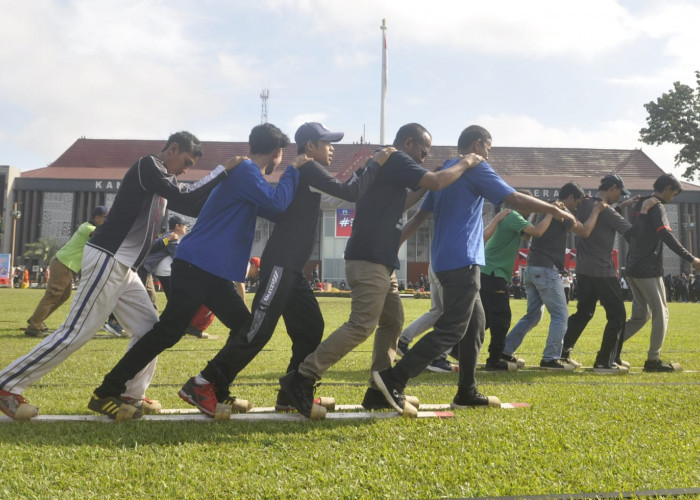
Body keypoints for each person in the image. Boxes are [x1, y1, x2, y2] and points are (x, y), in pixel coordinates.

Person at [0, 131, 240, 421]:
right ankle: (6, 386)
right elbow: (184, 196)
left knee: (151, 331)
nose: (186, 170)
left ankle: (130, 394)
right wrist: (221, 171)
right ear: (173, 148)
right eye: (186, 162)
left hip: (125, 267)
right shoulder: (148, 166)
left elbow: (189, 204)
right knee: (75, 333)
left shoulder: (166, 179)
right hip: (108, 257)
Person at [177, 122, 393, 417]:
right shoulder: (307, 168)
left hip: (292, 269)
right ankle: (202, 383)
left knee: (310, 327)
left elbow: (337, 196)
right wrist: (375, 165)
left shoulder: (310, 172)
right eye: (327, 143)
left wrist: (363, 170)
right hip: (280, 264)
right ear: (310, 147)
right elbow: (351, 193)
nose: (333, 149)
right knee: (258, 330)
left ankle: (291, 392)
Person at [89, 123, 302, 419]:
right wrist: (294, 171)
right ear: (278, 152)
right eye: (282, 156)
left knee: (245, 328)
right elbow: (277, 205)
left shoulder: (244, 173)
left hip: (208, 268)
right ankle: (106, 391)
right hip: (198, 265)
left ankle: (215, 389)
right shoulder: (247, 171)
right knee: (170, 332)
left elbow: (270, 207)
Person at [277, 123, 488, 418]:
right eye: (423, 152)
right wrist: (468, 161)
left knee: (393, 321)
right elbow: (437, 182)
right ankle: (301, 377)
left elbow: (403, 202)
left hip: (380, 260)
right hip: (370, 258)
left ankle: (379, 389)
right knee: (362, 324)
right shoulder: (397, 158)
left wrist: (430, 180)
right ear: (409, 143)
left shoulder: (389, 166)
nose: (423, 159)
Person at [371, 126, 577, 414]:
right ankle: (394, 378)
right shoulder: (475, 166)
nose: (488, 155)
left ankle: (466, 390)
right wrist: (555, 210)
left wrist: (393, 244)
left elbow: (420, 215)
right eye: (489, 149)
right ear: (478, 145)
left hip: (444, 262)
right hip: (461, 262)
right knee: (453, 327)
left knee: (476, 324)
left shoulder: (446, 168)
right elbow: (514, 198)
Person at [503, 182, 606, 371]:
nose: (576, 209)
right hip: (546, 269)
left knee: (532, 316)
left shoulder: (546, 207)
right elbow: (584, 231)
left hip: (532, 269)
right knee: (560, 315)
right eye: (577, 203)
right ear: (570, 198)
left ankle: (505, 351)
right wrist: (596, 211)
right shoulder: (561, 210)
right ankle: (550, 358)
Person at [396, 208, 512, 373]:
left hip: (436, 263)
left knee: (437, 311)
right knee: (456, 315)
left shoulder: (452, 214)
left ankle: (403, 340)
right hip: (452, 268)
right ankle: (438, 357)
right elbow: (482, 237)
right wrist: (497, 219)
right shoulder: (469, 215)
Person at [617, 174, 700, 372]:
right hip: (648, 269)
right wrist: (692, 258)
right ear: (668, 188)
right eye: (674, 192)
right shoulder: (657, 205)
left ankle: (610, 349)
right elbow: (665, 234)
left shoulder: (640, 205)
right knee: (661, 313)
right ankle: (653, 360)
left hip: (632, 267)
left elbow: (632, 234)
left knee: (640, 316)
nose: (673, 197)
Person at [560, 174, 640, 374]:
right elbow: (631, 233)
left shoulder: (585, 203)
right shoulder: (607, 211)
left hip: (583, 270)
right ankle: (605, 361)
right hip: (602, 270)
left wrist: (621, 207)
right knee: (618, 315)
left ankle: (561, 352)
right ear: (612, 188)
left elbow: (604, 214)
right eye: (619, 193)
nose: (619, 197)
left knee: (584, 313)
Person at [23, 206, 109, 337]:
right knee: (53, 295)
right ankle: (35, 325)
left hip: (65, 264)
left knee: (64, 295)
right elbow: (102, 236)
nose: (106, 220)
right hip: (64, 263)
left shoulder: (87, 226)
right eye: (104, 217)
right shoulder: (89, 229)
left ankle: (37, 318)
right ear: (96, 218)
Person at [144, 215, 189, 299]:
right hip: (145, 269)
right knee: (151, 298)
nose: (186, 227)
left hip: (146, 268)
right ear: (177, 226)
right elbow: (177, 256)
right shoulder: (172, 238)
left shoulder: (166, 235)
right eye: (184, 225)